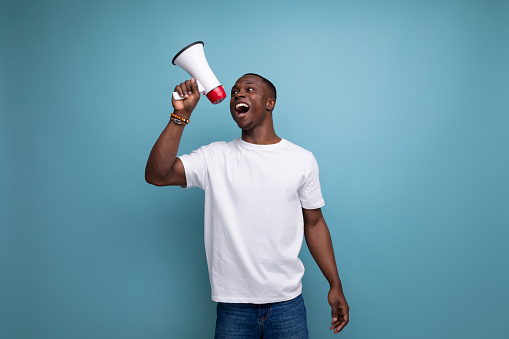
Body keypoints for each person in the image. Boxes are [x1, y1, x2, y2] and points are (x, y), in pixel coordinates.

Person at [145, 74, 349, 338]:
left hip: (287, 304)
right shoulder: (214, 156)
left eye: (249, 89)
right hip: (233, 307)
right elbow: (157, 175)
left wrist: (335, 283)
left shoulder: (301, 160)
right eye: (234, 92)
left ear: (270, 103)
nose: (239, 94)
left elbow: (314, 223)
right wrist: (180, 115)